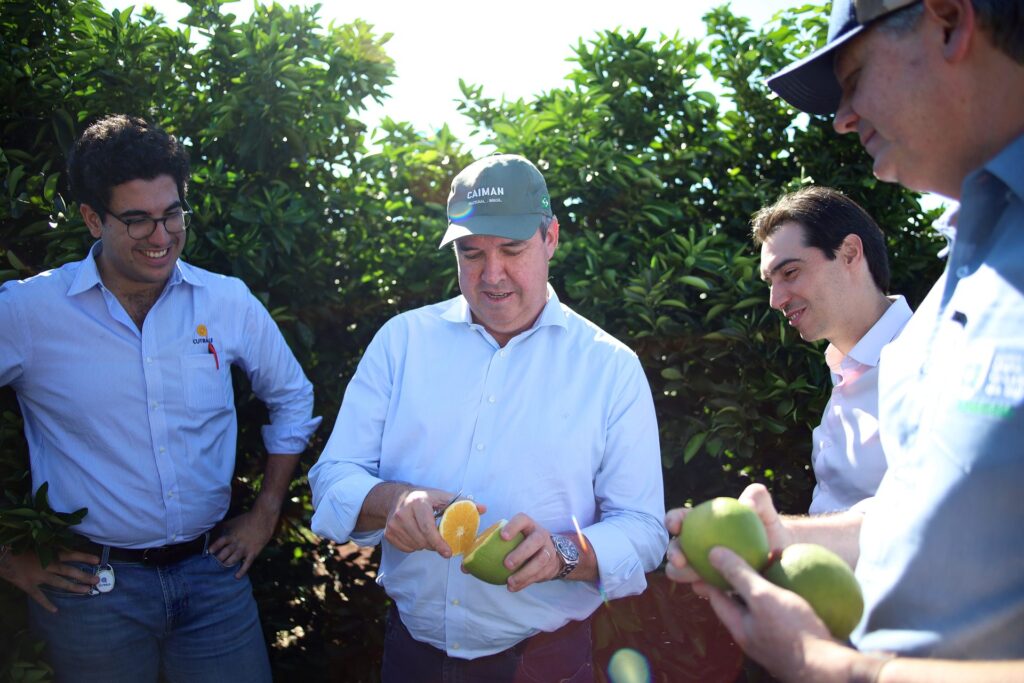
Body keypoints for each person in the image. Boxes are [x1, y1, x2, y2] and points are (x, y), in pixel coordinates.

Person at [665, 0, 1024, 680]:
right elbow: (919, 520)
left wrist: (825, 664)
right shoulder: (963, 281)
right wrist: (781, 536)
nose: (841, 118)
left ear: (949, 22)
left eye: (853, 77)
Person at [309, 153, 666, 682]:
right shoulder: (402, 342)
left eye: (512, 249)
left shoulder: (610, 367)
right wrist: (391, 502)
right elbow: (332, 477)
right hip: (412, 655)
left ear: (551, 238)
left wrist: (564, 554)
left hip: (546, 663)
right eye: (471, 252)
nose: (491, 274)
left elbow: (643, 530)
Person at [0, 114, 321, 683]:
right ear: (92, 219)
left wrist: (267, 513)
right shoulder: (29, 313)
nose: (161, 235)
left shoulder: (226, 302)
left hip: (215, 578)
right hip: (91, 594)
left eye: (173, 213)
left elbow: (293, 397)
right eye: (137, 219)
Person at [752, 186, 912, 514]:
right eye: (771, 282)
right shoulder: (846, 368)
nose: (775, 299)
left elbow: (923, 519)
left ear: (850, 253)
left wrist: (783, 536)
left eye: (790, 272)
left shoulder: (929, 363)